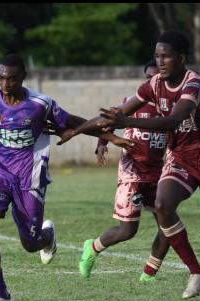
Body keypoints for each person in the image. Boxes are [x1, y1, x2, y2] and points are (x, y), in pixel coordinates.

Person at [59, 30, 200, 300]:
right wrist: (77, 129)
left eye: (166, 56)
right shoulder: (154, 84)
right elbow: (115, 114)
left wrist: (125, 122)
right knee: (163, 205)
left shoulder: (194, 84)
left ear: (182, 57)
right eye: (157, 55)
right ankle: (197, 274)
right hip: (179, 157)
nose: (161, 61)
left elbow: (172, 120)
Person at [0, 54, 136, 301]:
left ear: (23, 77)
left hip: (30, 178)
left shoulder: (41, 103)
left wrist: (110, 138)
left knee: (29, 243)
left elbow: (74, 122)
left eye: (12, 78)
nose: (5, 83)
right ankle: (1, 294)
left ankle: (46, 236)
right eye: (1, 77)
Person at [79, 60, 171, 282]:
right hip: (132, 173)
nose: (155, 82)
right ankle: (92, 247)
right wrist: (102, 145)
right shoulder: (131, 104)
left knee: (169, 227)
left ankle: (149, 274)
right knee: (128, 231)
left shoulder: (173, 109)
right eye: (150, 78)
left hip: (159, 173)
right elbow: (105, 124)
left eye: (159, 78)